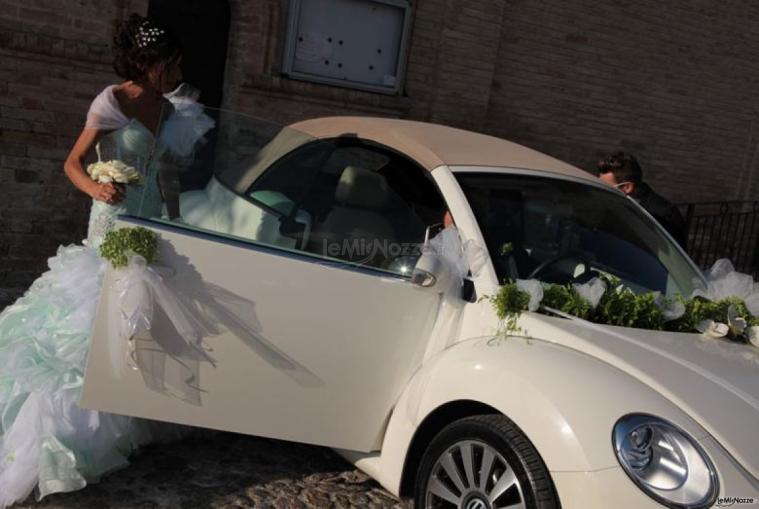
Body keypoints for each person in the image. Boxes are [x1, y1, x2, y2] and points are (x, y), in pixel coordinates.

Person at [0, 14, 213, 507]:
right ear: (149, 63)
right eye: (171, 62)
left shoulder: (171, 107)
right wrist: (96, 185)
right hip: (111, 222)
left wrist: (176, 218)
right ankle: (76, 436)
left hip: (151, 222)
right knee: (92, 316)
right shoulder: (113, 100)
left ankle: (129, 411)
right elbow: (72, 163)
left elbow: (164, 172)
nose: (178, 69)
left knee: (140, 315)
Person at [597, 152, 688, 248]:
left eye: (605, 186)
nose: (601, 190)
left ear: (627, 187)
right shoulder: (614, 203)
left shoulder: (663, 214)